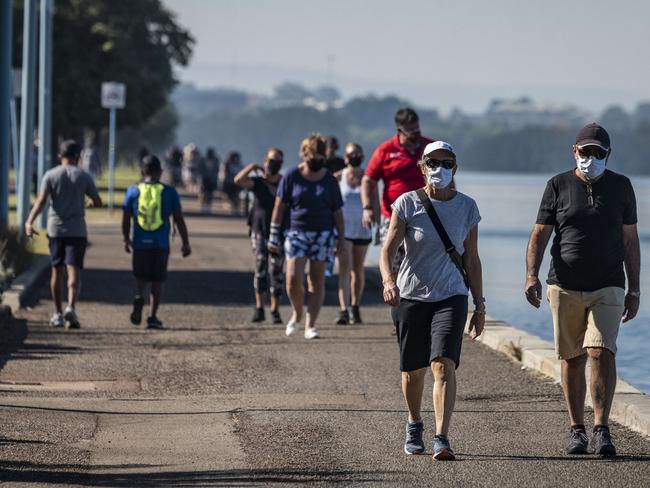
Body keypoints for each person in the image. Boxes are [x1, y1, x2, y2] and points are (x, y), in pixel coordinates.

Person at [525, 123, 640, 457]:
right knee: (572, 357)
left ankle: (602, 428)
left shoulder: (621, 187)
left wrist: (635, 290)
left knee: (601, 351)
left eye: (598, 153)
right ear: (574, 151)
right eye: (585, 151)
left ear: (608, 155)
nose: (590, 158)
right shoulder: (557, 185)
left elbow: (630, 241)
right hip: (564, 284)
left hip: (608, 282)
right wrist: (531, 275)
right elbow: (539, 234)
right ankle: (577, 429)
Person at [381, 141, 484, 461]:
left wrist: (479, 306)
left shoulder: (467, 207)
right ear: (422, 168)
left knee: (443, 364)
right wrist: (388, 281)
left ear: (455, 167)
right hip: (411, 295)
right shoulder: (407, 203)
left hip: (451, 296)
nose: (440, 168)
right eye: (433, 163)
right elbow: (386, 251)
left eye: (447, 162)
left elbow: (473, 260)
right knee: (413, 371)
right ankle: (414, 423)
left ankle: (442, 436)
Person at [267, 134, 344, 339]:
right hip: (296, 233)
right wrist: (273, 236)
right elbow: (279, 207)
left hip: (323, 234)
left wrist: (341, 239)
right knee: (292, 278)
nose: (317, 160)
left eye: (321, 156)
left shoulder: (329, 180)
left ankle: (311, 325)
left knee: (316, 281)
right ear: (304, 154)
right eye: (313, 155)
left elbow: (337, 211)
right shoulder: (292, 175)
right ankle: (297, 313)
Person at [24, 140, 102, 329]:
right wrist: (89, 204)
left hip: (55, 230)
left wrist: (29, 221)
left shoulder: (51, 175)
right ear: (78, 157)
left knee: (56, 271)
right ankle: (71, 307)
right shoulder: (84, 176)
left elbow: (41, 201)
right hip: (77, 230)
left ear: (60, 156)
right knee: (73, 271)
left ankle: (58, 314)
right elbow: (97, 201)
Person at [122, 155, 192, 329]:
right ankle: (152, 317)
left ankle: (139, 296)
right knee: (157, 281)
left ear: (142, 172)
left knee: (140, 277)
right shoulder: (169, 192)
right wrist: (185, 242)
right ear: (160, 172)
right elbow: (178, 218)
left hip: (139, 243)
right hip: (160, 243)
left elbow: (126, 218)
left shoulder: (133, 191)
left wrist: (126, 239)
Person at [361, 107, 433, 275]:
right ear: (399, 129)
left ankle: (416, 298)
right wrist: (367, 208)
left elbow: (447, 178)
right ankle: (394, 294)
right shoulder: (386, 150)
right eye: (411, 129)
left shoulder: (429, 147)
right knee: (393, 261)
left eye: (417, 127)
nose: (416, 132)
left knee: (421, 260)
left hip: (425, 213)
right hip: (392, 214)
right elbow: (368, 180)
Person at [234, 148, 287, 324]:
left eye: (278, 161)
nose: (274, 164)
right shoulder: (258, 182)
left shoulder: (283, 183)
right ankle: (259, 308)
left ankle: (275, 309)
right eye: (271, 160)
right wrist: (253, 166)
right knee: (260, 267)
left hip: (279, 232)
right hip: (258, 229)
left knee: (277, 270)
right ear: (265, 161)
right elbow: (238, 180)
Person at [336, 143, 372, 325]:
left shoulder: (368, 177)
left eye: (358, 153)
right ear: (345, 157)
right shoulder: (338, 177)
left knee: (357, 270)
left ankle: (355, 307)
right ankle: (343, 309)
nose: (355, 156)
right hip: (344, 230)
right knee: (345, 268)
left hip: (363, 229)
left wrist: (380, 227)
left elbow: (376, 202)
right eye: (351, 154)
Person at [220, 151, 244, 216]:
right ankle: (232, 210)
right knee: (229, 198)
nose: (237, 159)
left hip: (237, 184)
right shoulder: (226, 164)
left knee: (236, 197)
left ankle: (236, 210)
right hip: (229, 184)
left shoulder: (239, 165)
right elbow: (224, 174)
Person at [198, 147, 219, 214]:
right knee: (204, 193)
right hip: (204, 179)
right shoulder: (202, 159)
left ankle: (209, 207)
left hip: (212, 179)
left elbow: (217, 170)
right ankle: (203, 206)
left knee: (210, 194)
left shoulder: (216, 160)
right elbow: (199, 169)